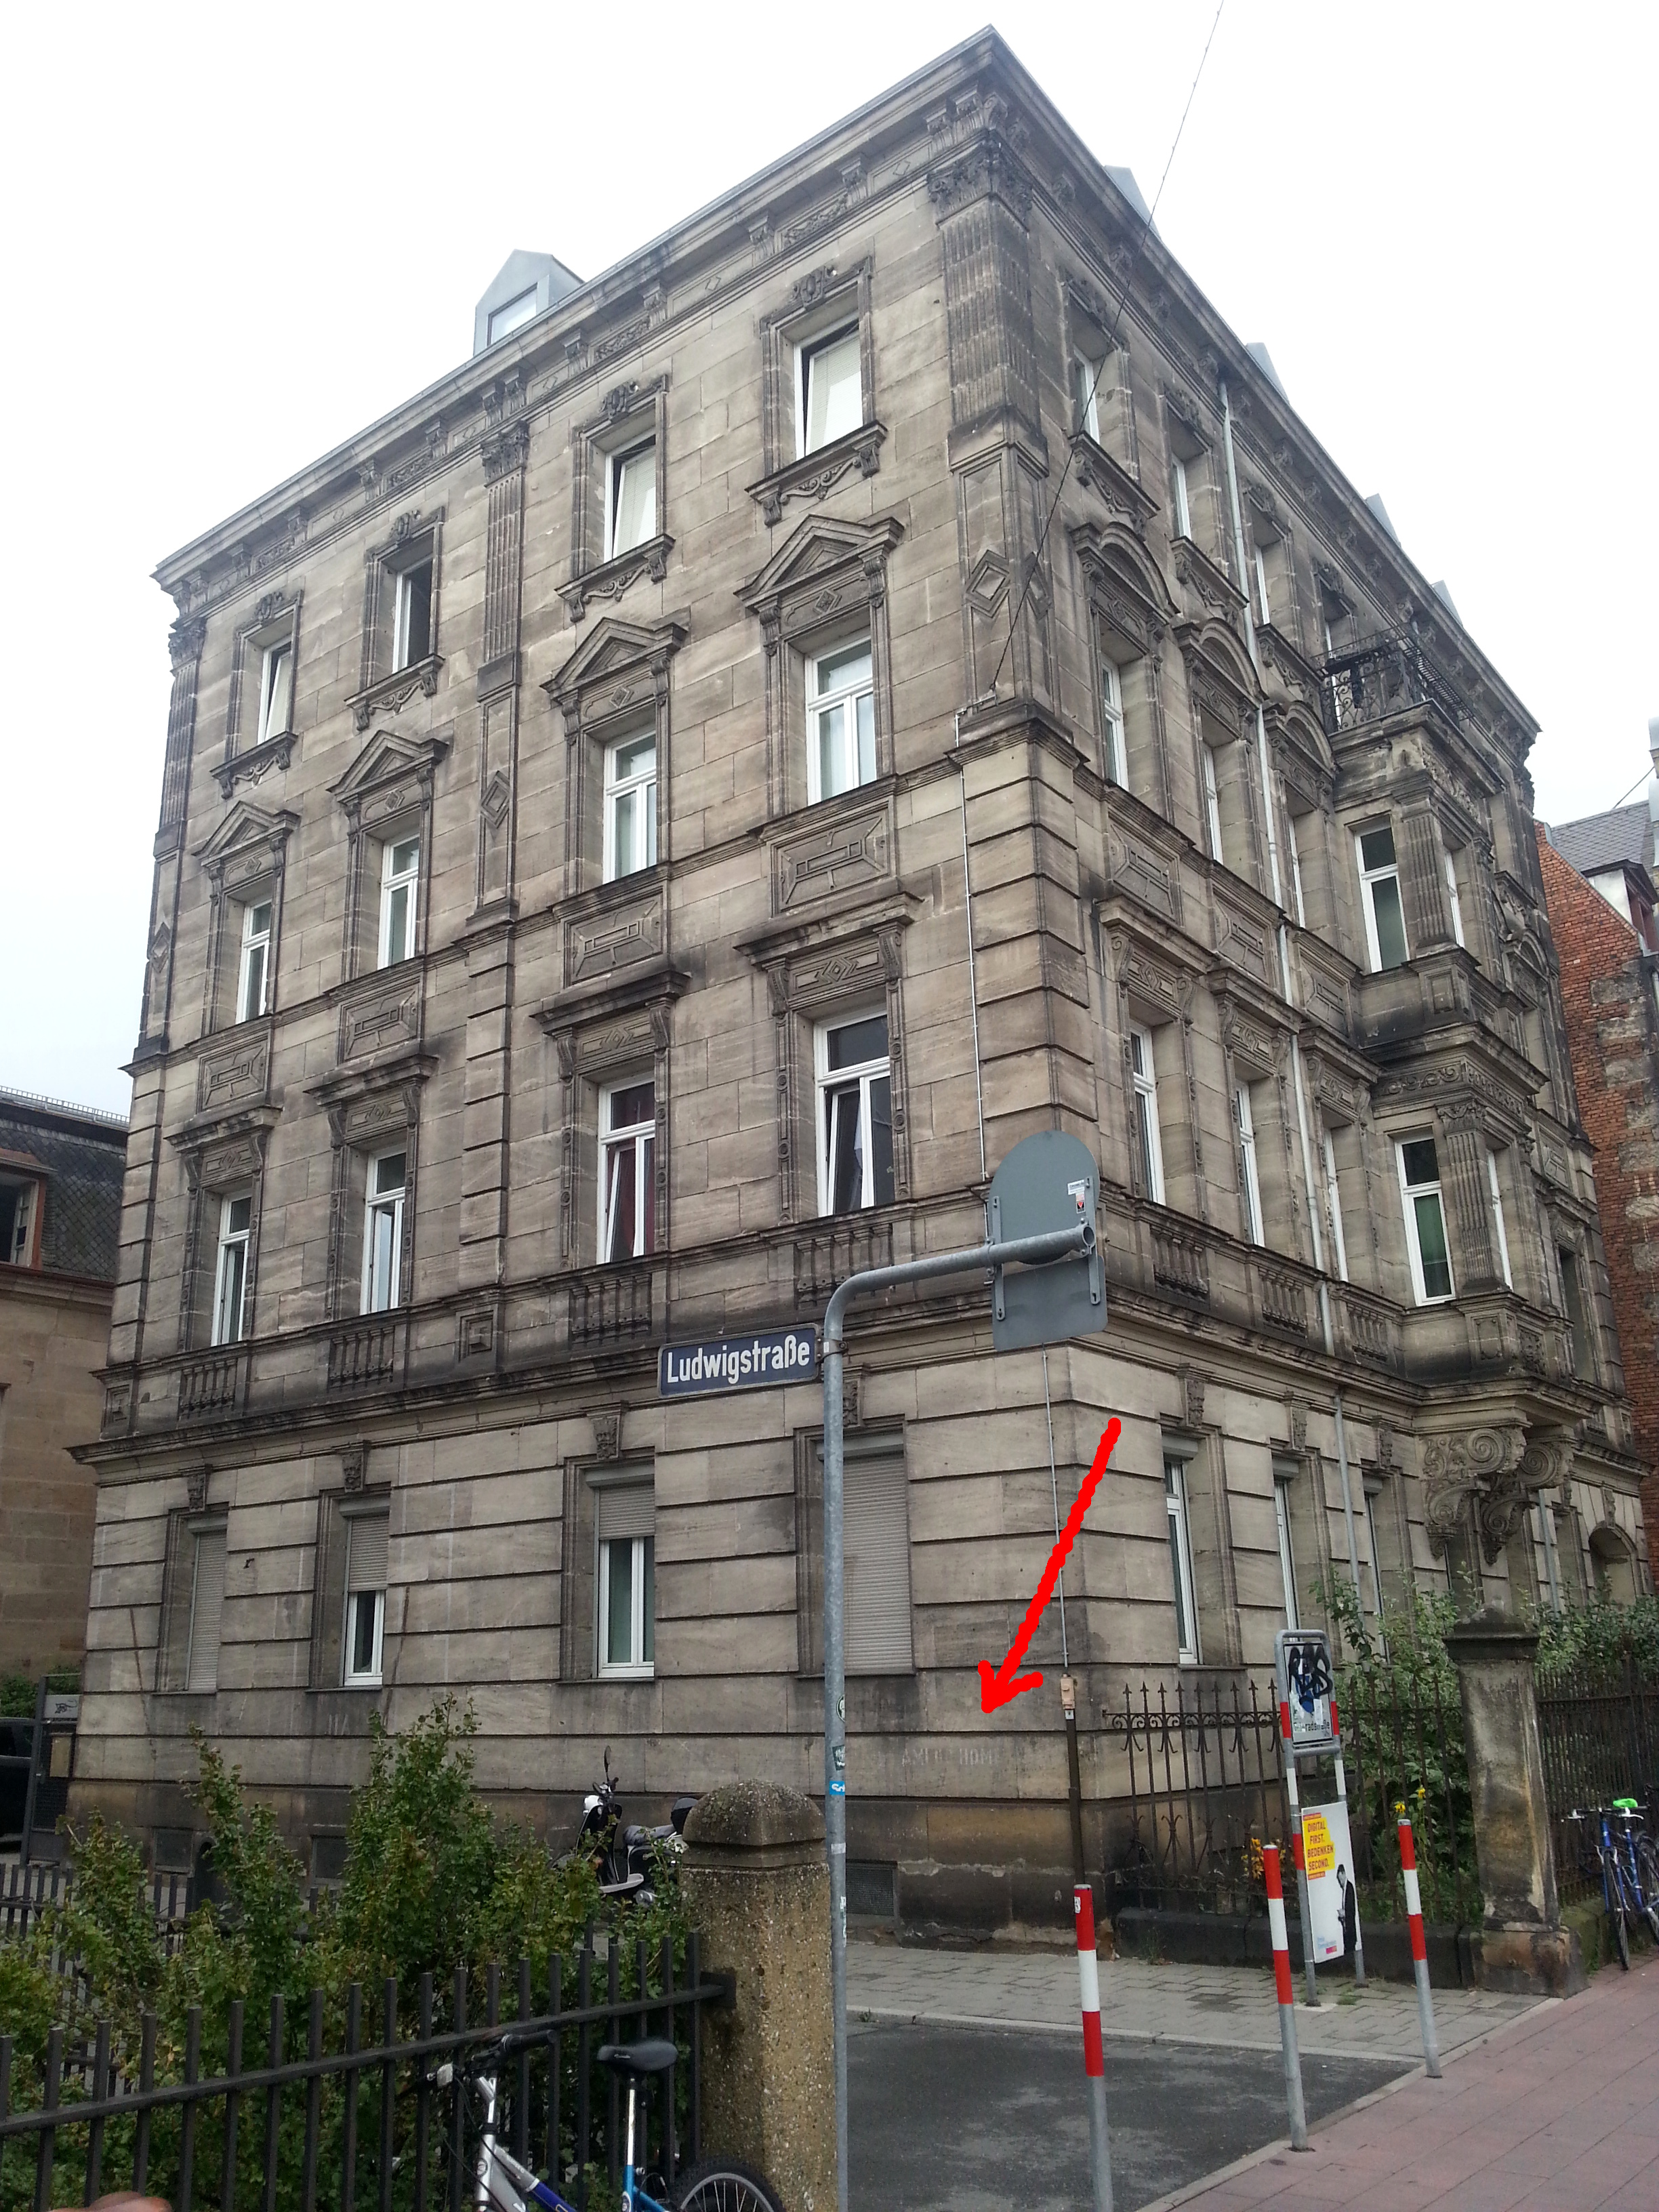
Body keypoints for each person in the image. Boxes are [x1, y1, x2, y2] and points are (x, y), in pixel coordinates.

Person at [1336, 1861, 1358, 1961]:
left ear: (1344, 1874)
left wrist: (1344, 1913)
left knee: (1350, 1951)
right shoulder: (1346, 1889)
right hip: (1347, 1928)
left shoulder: (1349, 1888)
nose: (1340, 1882)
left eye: (1341, 1879)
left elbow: (1351, 1910)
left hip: (1350, 1928)